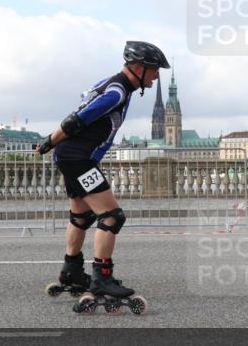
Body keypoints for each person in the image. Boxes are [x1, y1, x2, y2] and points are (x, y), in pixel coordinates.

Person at [36, 40, 170, 302]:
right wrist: (49, 141)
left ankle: (72, 271)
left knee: (80, 217)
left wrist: (53, 144)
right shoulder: (117, 92)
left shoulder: (112, 83)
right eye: (154, 69)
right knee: (111, 216)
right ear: (139, 67)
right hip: (79, 159)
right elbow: (76, 119)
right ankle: (102, 278)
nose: (157, 75)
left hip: (73, 157)